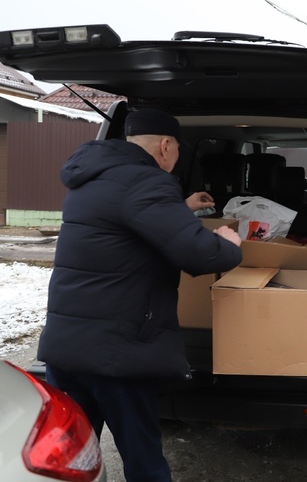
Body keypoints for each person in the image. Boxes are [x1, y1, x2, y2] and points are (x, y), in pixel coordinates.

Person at [38, 109, 243, 482]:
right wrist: (229, 243)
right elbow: (201, 255)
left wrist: (181, 209)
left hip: (68, 348)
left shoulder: (92, 176)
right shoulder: (148, 182)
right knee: (144, 462)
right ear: (165, 146)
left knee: (69, 457)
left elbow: (123, 226)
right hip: (118, 353)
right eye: (178, 150)